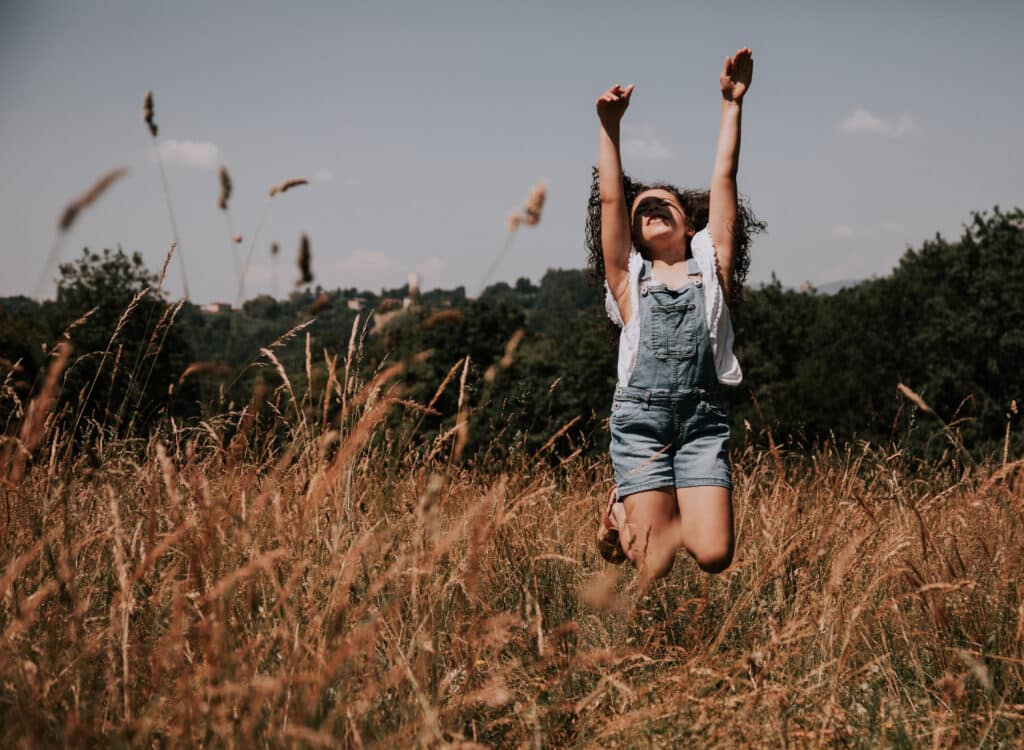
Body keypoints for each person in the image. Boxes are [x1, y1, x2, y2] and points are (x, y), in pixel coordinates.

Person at [588, 48, 765, 581]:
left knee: (714, 555)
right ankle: (621, 512)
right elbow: (614, 202)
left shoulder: (712, 268)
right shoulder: (627, 280)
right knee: (656, 564)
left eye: (665, 204)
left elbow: (725, 178)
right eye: (644, 210)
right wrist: (609, 128)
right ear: (636, 239)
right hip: (639, 426)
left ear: (691, 225)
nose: (650, 209)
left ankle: (631, 514)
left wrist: (732, 104)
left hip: (700, 425)